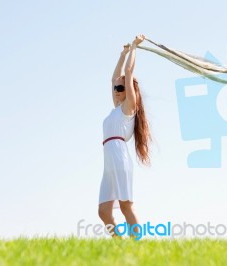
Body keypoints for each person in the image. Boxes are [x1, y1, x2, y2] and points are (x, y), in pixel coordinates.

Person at [98, 34, 152, 238]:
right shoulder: (116, 108)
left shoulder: (129, 108)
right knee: (103, 212)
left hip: (119, 157)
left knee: (126, 206)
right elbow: (115, 77)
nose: (116, 89)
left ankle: (138, 244)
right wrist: (122, 54)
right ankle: (119, 244)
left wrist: (134, 48)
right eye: (116, 88)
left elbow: (127, 73)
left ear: (129, 91)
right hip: (109, 160)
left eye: (121, 88)